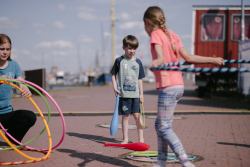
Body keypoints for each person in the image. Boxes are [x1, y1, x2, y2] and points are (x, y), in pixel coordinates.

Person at [143, 6, 225, 167]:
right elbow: (188, 57)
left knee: (164, 127)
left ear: (147, 22)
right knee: (160, 125)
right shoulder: (172, 35)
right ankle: (161, 162)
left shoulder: (155, 34)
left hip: (168, 86)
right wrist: (212, 59)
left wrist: (153, 64)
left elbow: (160, 59)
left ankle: (185, 162)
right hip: (178, 85)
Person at [0, 34, 37, 145]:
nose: (5, 52)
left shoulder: (14, 65)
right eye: (1, 49)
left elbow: (21, 83)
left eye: (8, 49)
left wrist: (25, 89)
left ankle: (11, 139)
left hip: (6, 113)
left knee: (29, 116)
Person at [110, 35, 145, 144]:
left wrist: (141, 94)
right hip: (124, 95)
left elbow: (140, 79)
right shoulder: (119, 60)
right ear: (123, 47)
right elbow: (113, 74)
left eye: (134, 48)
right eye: (129, 48)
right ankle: (125, 139)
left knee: (137, 116)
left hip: (135, 95)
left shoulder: (138, 62)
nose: (132, 51)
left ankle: (141, 139)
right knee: (125, 116)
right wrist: (115, 87)